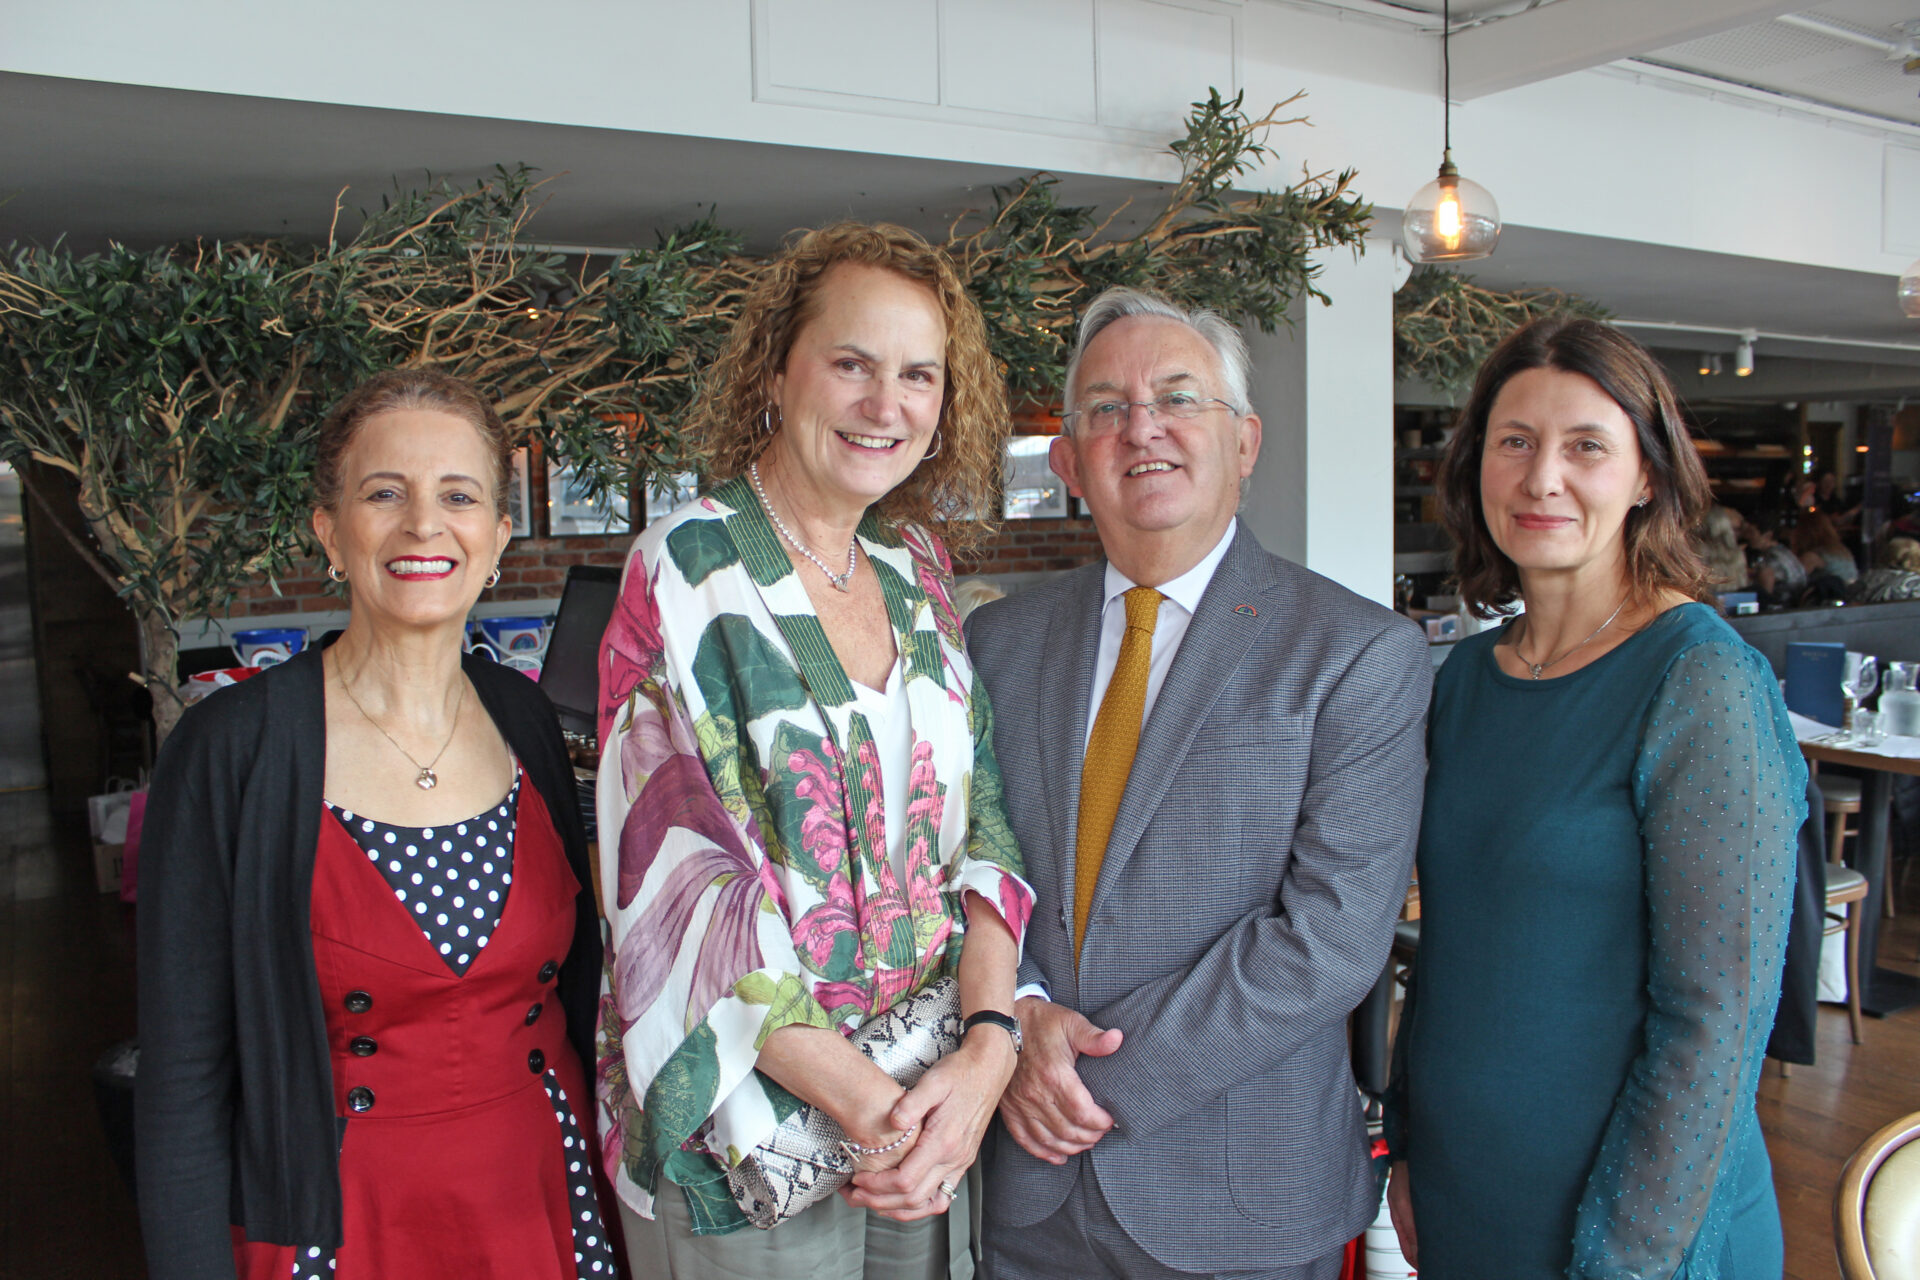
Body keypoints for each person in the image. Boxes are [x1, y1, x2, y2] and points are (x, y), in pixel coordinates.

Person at [594, 221, 1034, 1278]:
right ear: (778, 371)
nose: (888, 404)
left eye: (918, 374)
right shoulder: (684, 569)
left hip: (926, 1098)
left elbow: (985, 833)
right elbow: (679, 892)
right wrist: (873, 1107)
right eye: (853, 364)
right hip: (750, 1135)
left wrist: (984, 1053)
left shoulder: (918, 570)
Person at [966, 287, 1431, 1280]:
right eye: (1104, 406)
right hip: (1028, 1184)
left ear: (1246, 442)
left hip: (1238, 1194)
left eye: (1179, 398)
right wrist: (1024, 1016)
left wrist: (1089, 1078)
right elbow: (967, 864)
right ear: (1067, 461)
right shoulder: (997, 643)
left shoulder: (1356, 653)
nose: (1142, 428)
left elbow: (1331, 938)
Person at [135, 370, 611, 1279]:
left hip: (543, 1193)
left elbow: (582, 990)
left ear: (499, 536)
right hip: (338, 1216)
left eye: (458, 495)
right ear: (330, 530)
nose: (424, 525)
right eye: (383, 493)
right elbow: (182, 1083)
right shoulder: (232, 750)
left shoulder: (524, 719)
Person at [1383, 317, 1805, 1279]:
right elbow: (1454, 951)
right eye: (1515, 442)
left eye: (1586, 447)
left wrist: (1624, 1255)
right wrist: (1407, 1147)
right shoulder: (1463, 683)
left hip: (1632, 1229)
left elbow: (1718, 1022)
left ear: (1648, 474)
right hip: (1462, 1196)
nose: (1542, 479)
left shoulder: (1701, 681)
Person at [1696, 504, 1749, 593]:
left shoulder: (1695, 552)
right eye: (1736, 529)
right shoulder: (1737, 554)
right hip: (1733, 600)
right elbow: (1743, 584)